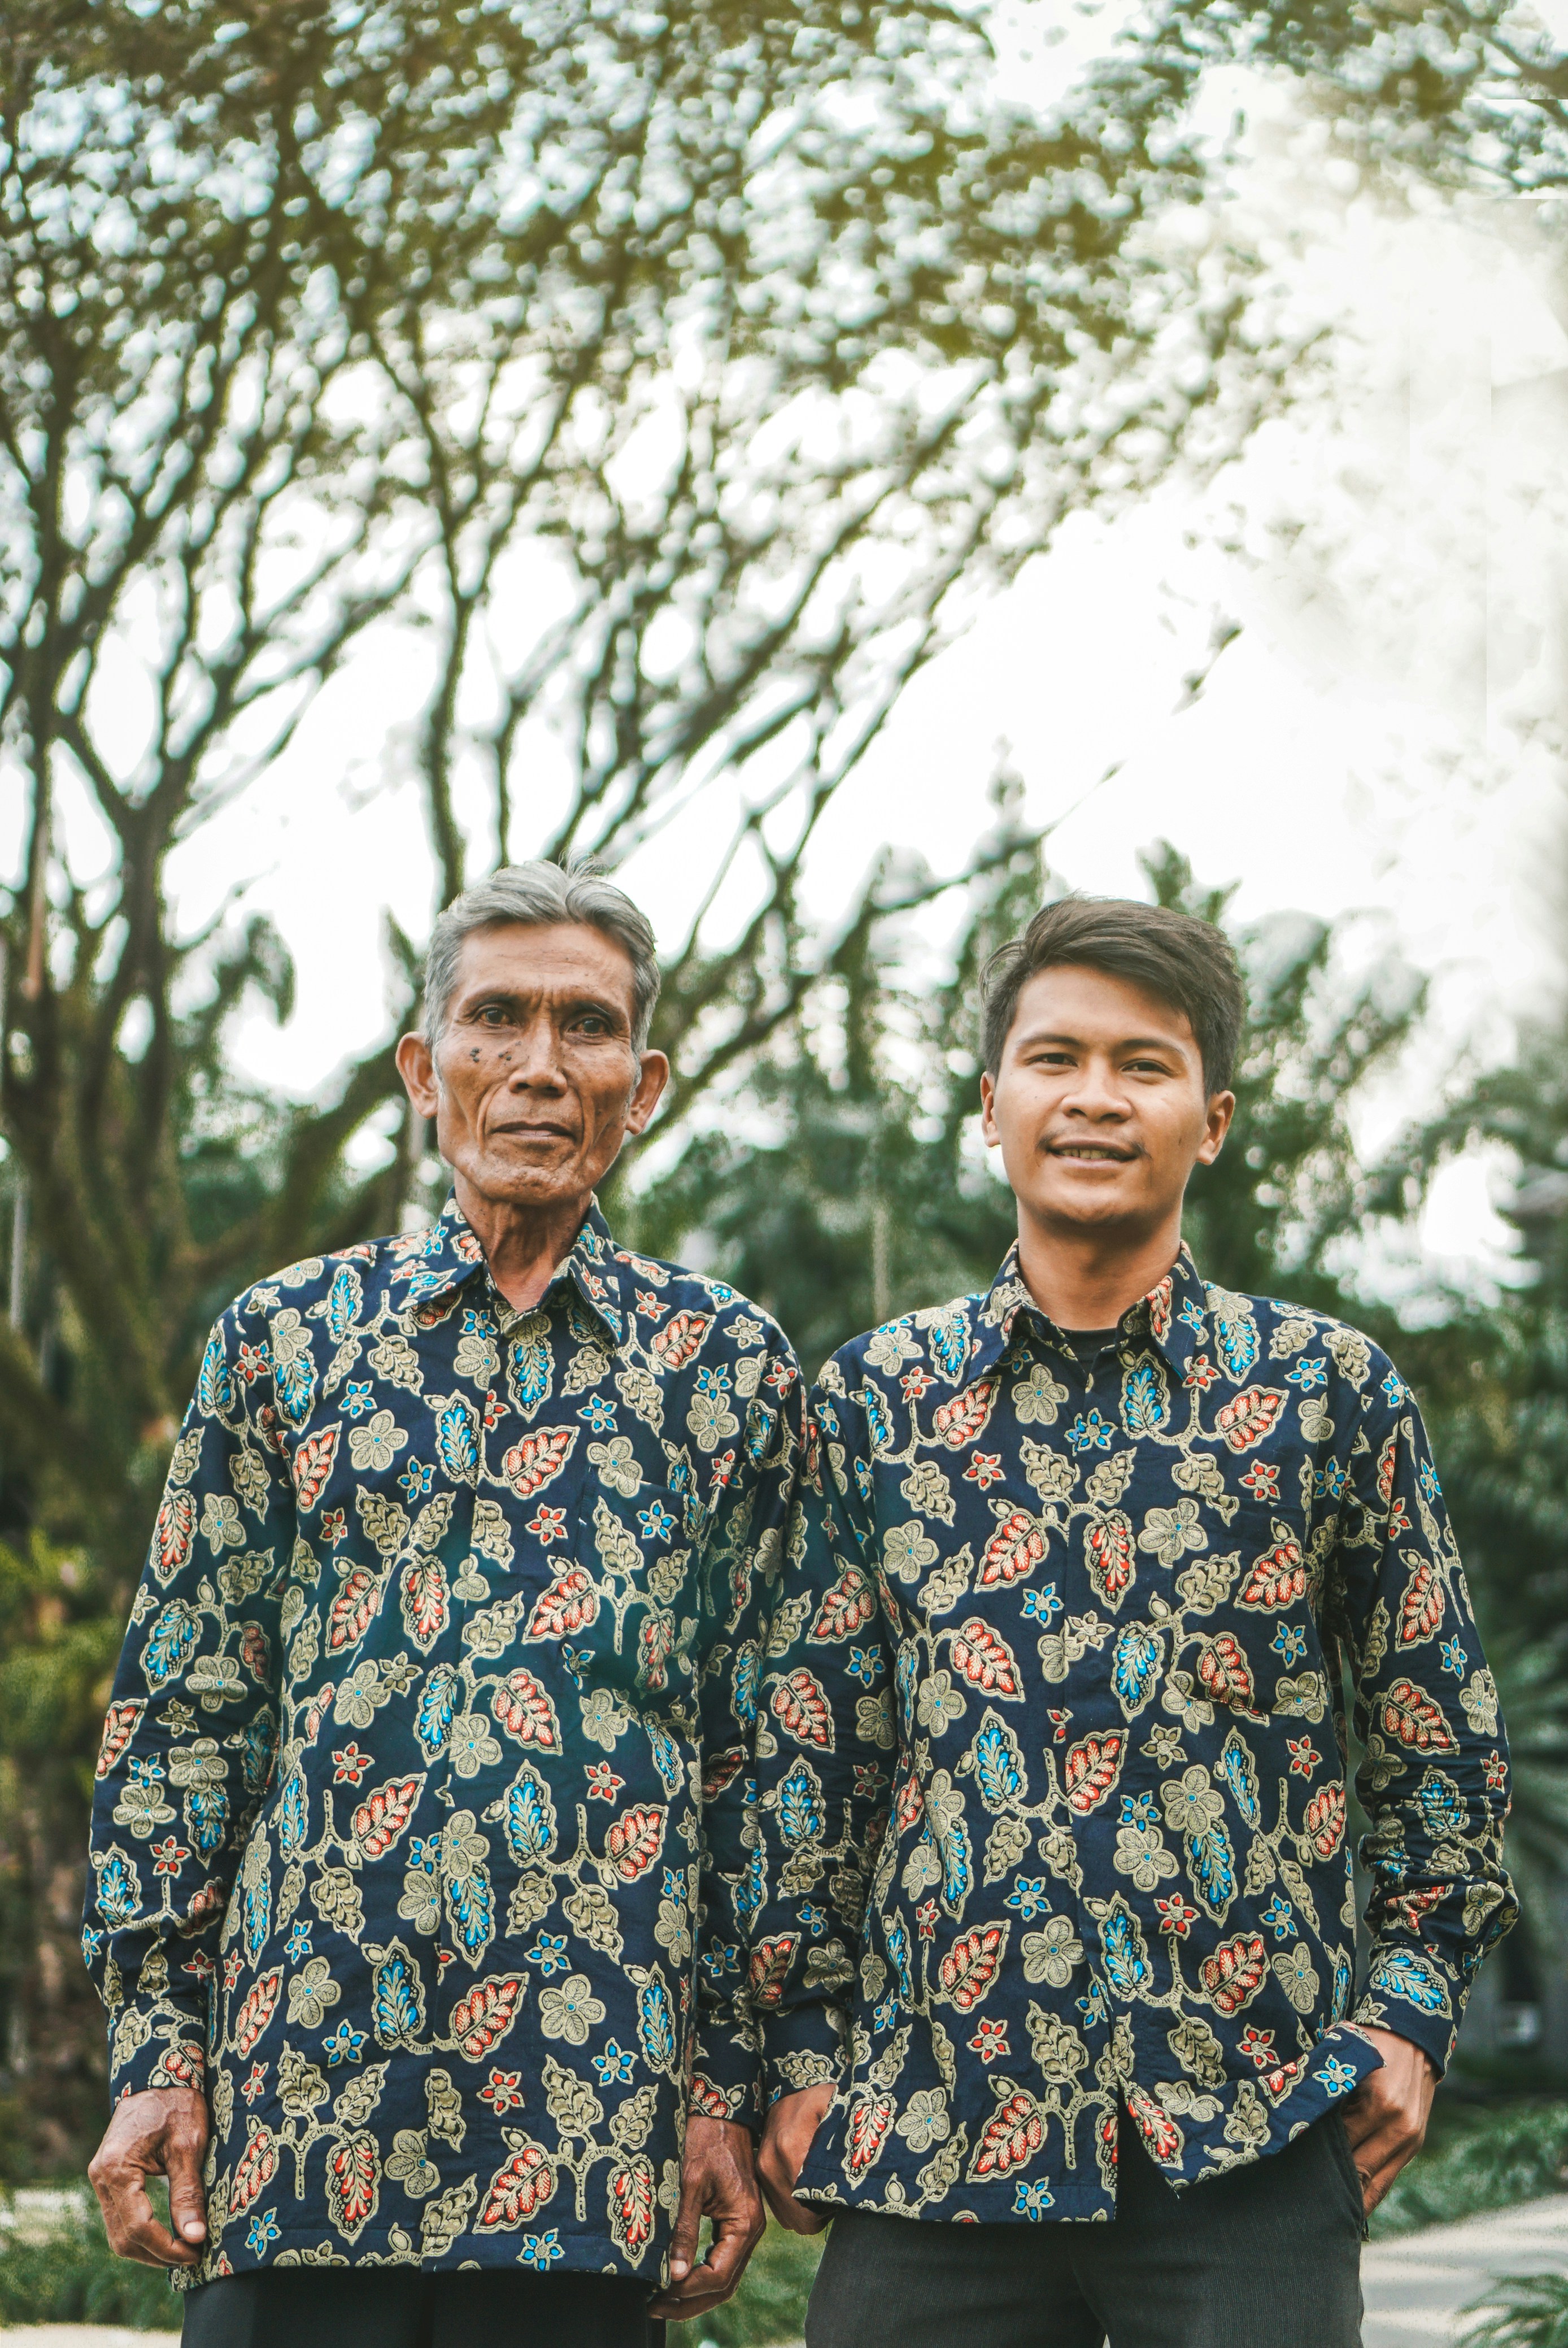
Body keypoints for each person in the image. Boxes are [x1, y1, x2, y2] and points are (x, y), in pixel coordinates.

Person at [746, 894, 1516, 2348]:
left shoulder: (1322, 1394)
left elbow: (1440, 1743)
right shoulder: (870, 1405)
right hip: (930, 2136)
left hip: (1252, 2138)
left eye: (1141, 1063)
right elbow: (808, 1759)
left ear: (1209, 1117)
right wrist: (793, 2047)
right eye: (1054, 1057)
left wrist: (1407, 2013)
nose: (1094, 1095)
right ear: (991, 1104)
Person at [83, 862, 803, 2347]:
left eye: (587, 1028)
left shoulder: (726, 1366)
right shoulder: (285, 1341)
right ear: (426, 1066)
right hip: (293, 2133)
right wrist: (158, 2051)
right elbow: (184, 1706)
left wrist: (729, 2087)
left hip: (592, 2146)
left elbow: (773, 1762)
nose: (541, 1066)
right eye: (497, 1020)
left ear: (644, 1081)